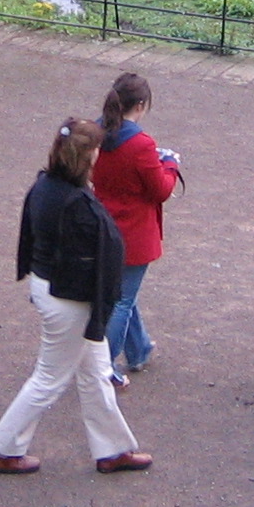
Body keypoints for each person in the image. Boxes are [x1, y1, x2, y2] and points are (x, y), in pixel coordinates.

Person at [0, 116, 152, 476]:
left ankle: (114, 450)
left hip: (53, 290)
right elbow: (93, 259)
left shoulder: (46, 186)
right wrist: (99, 307)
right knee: (49, 378)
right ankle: (2, 448)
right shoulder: (76, 203)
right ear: (87, 156)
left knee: (96, 372)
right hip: (69, 301)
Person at [90, 71, 180, 385]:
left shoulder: (94, 132)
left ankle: (139, 349)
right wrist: (170, 164)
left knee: (124, 294)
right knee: (122, 299)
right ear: (140, 105)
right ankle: (106, 367)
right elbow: (161, 190)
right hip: (134, 233)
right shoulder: (141, 144)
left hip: (102, 224)